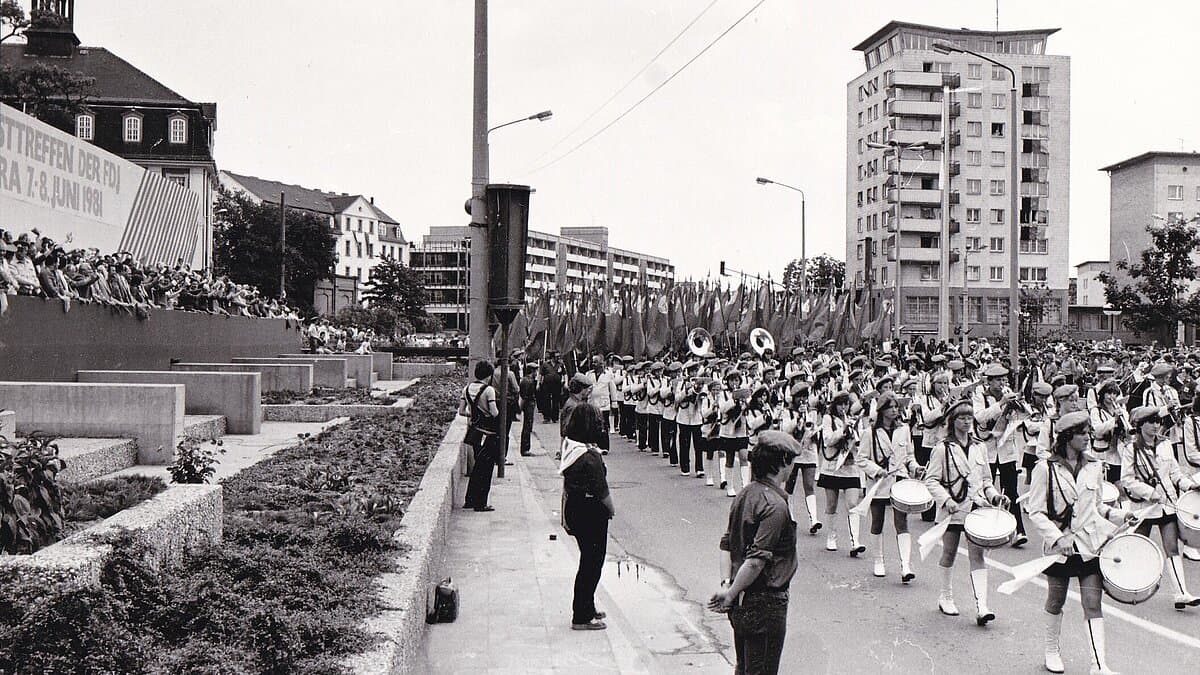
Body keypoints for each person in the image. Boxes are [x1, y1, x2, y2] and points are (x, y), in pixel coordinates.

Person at [1025, 410, 1137, 675]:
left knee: (1092, 602)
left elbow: (1098, 506)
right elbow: (1036, 511)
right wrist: (1057, 537)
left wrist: (1123, 515)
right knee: (1056, 600)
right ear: (1067, 437)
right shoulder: (1045, 468)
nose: (1089, 438)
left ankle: (1098, 665)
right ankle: (1051, 651)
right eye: (1083, 433)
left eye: (1088, 432)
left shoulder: (1094, 466)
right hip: (1060, 549)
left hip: (1089, 546)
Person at [709, 431, 801, 675]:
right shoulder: (775, 506)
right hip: (766, 602)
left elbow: (726, 543)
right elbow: (756, 561)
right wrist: (730, 593)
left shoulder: (745, 493)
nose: (792, 467)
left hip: (742, 598)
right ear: (782, 461)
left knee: (745, 667)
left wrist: (728, 585)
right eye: (791, 460)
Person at [925, 399, 1008, 624]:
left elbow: (986, 480)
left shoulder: (980, 446)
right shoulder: (943, 448)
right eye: (962, 417)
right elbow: (931, 480)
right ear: (952, 421)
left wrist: (995, 496)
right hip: (952, 510)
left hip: (975, 508)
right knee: (949, 552)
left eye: (969, 417)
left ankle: (982, 605)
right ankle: (946, 596)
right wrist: (946, 500)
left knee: (977, 554)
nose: (966, 421)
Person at [1120, 405, 1200, 610]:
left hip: (1166, 504)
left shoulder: (1165, 446)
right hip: (1143, 506)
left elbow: (1174, 473)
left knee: (1172, 548)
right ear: (1140, 425)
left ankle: (1181, 593)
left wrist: (1189, 485)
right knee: (1137, 546)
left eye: (1158, 421)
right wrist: (1149, 492)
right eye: (1151, 422)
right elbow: (1127, 480)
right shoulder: (1131, 449)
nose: (1156, 426)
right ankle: (1128, 585)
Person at [559, 395, 615, 631]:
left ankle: (587, 606)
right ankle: (581, 615)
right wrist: (611, 510)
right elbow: (603, 492)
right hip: (591, 513)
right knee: (592, 564)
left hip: (576, 509)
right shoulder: (590, 457)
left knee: (587, 561)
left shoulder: (573, 447)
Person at [858, 394, 922, 582]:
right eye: (890, 407)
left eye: (896, 407)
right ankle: (878, 561)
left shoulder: (903, 430)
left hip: (899, 479)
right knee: (877, 521)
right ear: (882, 410)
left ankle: (906, 565)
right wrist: (877, 471)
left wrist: (916, 468)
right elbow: (862, 458)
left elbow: (909, 455)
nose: (894, 410)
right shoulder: (870, 432)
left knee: (901, 522)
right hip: (878, 483)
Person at [817, 390, 865, 555]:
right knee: (831, 504)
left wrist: (854, 431)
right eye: (841, 404)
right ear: (835, 405)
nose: (843, 407)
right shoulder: (828, 419)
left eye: (846, 404)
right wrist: (843, 430)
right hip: (832, 467)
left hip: (850, 467)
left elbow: (861, 442)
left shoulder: (854, 419)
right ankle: (832, 536)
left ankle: (855, 541)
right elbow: (827, 440)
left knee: (852, 504)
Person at [459, 361, 500, 512]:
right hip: (488, 433)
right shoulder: (489, 390)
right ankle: (481, 502)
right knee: (486, 468)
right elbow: (494, 412)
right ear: (489, 375)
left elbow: (461, 412)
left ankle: (469, 499)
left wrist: (474, 414)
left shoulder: (467, 389)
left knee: (477, 466)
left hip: (475, 432)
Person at [518, 364, 538, 456]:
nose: (536, 373)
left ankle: (525, 448)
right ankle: (525, 449)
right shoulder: (528, 381)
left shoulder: (525, 380)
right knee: (527, 426)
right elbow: (524, 397)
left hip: (529, 404)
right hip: (528, 405)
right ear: (532, 371)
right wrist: (520, 408)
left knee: (528, 425)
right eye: (535, 371)